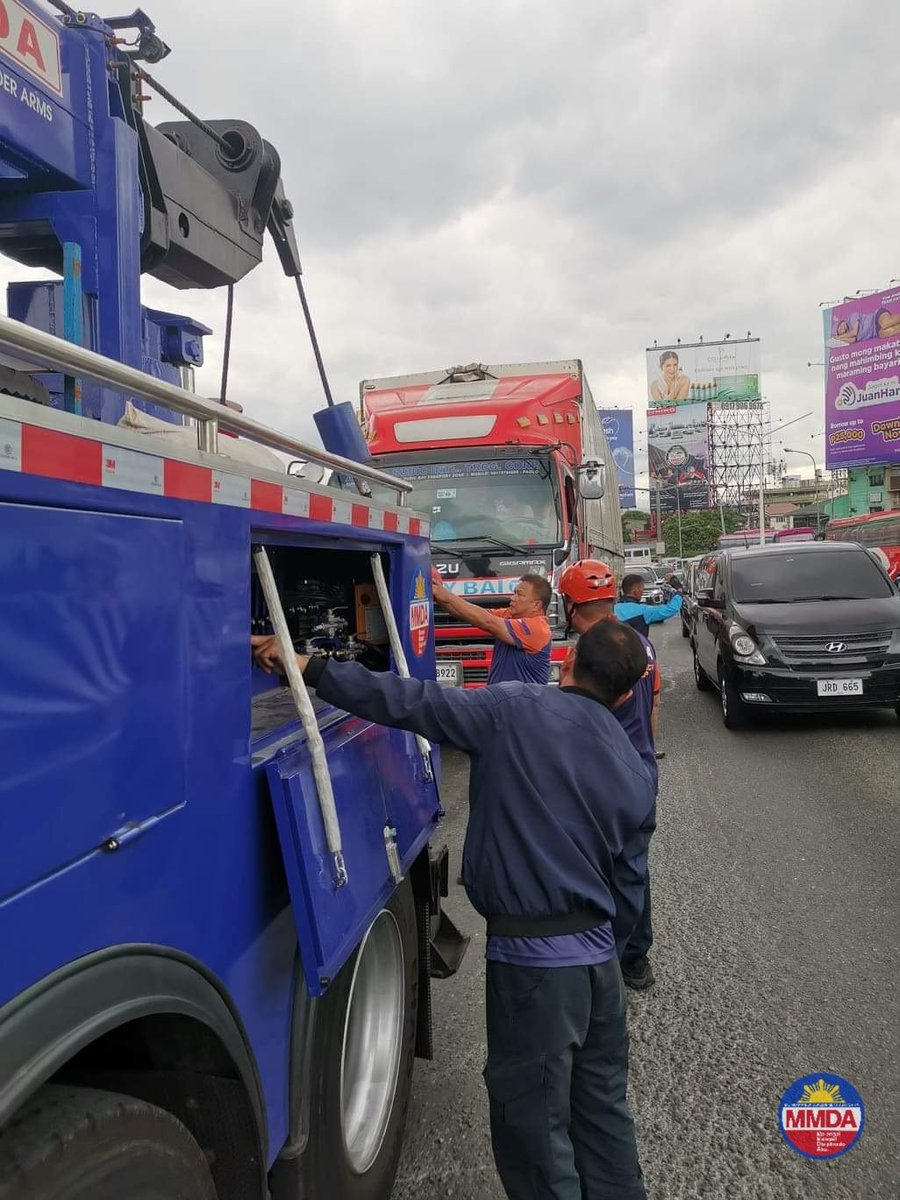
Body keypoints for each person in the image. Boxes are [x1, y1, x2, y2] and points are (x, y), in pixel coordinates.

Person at [252, 622, 654, 1200]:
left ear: (565, 662)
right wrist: (619, 962)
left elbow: (409, 701)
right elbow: (631, 887)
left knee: (535, 1133)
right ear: (625, 695)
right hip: (600, 973)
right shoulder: (636, 770)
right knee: (603, 1113)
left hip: (538, 969)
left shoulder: (512, 711)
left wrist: (309, 666)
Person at [558, 560, 660, 991]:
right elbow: (653, 706)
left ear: (569, 604)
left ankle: (600, 966)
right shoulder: (639, 643)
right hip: (640, 767)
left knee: (596, 868)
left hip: (599, 772)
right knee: (633, 868)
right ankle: (635, 959)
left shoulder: (584, 653)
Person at [431, 568, 552, 685]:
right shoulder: (510, 615)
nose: (512, 598)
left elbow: (486, 621)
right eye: (514, 593)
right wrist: (439, 597)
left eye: (519, 595)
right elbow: (471, 615)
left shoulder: (537, 628)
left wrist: (445, 595)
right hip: (501, 700)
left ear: (536, 605)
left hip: (522, 703)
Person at [616, 573, 683, 639]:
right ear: (636, 590)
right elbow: (671, 609)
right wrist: (679, 592)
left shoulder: (612, 609)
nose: (642, 592)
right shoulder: (643, 611)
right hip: (636, 649)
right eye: (642, 588)